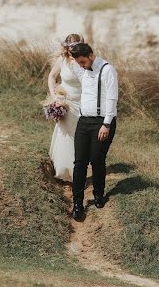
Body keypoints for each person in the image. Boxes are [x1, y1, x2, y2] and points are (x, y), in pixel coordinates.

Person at [68, 42, 118, 221]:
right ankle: (77, 204)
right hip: (83, 122)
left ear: (91, 55)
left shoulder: (107, 70)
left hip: (101, 122)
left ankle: (98, 194)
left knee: (97, 160)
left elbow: (112, 98)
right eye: (79, 63)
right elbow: (67, 60)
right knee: (79, 162)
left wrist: (107, 124)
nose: (81, 66)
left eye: (82, 61)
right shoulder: (82, 68)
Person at [47, 34, 84, 182]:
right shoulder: (62, 60)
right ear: (66, 47)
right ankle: (65, 169)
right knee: (67, 134)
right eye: (70, 47)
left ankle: (80, 167)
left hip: (83, 103)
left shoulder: (85, 61)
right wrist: (55, 96)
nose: (72, 49)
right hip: (66, 102)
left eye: (75, 47)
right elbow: (51, 77)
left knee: (80, 135)